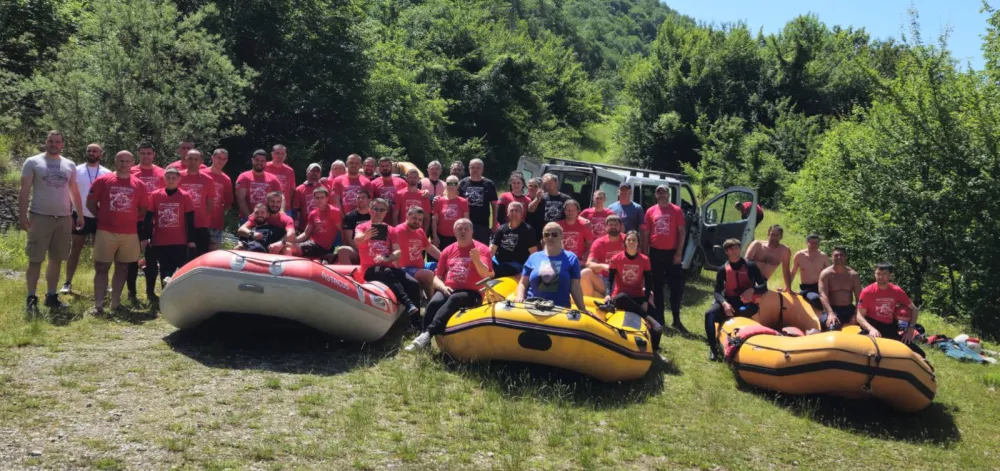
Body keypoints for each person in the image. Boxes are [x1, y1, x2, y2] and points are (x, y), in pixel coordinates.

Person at [19, 130, 84, 313]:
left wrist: (79, 213)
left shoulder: (69, 165)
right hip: (39, 216)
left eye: (57, 141)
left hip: (63, 218)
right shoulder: (33, 162)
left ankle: (51, 296)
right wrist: (22, 215)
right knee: (35, 259)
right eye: (51, 141)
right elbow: (24, 190)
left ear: (62, 144)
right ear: (45, 142)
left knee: (56, 259)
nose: (54, 144)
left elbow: (74, 191)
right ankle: (31, 298)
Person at [406, 219, 493, 351]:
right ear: (454, 232)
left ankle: (427, 334)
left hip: (472, 292)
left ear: (472, 231)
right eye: (459, 228)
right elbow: (437, 277)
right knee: (434, 302)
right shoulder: (448, 250)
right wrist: (442, 287)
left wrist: (477, 261)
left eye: (466, 228)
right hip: (448, 288)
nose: (463, 231)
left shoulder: (481, 249)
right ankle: (425, 344)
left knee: (455, 299)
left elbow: (485, 274)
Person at [87, 150, 149, 315]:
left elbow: (143, 209)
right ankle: (98, 306)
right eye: (121, 161)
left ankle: (115, 304)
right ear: (115, 161)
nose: (124, 164)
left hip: (129, 233)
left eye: (127, 161)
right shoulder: (103, 180)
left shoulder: (139, 184)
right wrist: (102, 217)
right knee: (101, 267)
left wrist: (129, 219)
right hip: (105, 231)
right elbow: (91, 203)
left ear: (132, 163)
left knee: (122, 268)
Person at [355, 198, 421, 320]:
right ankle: (408, 304)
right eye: (375, 209)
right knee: (387, 272)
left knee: (414, 284)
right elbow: (357, 239)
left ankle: (416, 322)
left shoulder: (391, 230)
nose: (378, 212)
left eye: (381, 210)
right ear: (369, 210)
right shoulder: (362, 227)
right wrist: (365, 236)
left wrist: (387, 257)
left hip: (387, 267)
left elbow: (398, 252)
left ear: (386, 212)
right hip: (369, 270)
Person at [705, 238, 768, 361]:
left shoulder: (750, 266)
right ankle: (713, 348)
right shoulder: (723, 269)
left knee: (743, 311)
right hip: (729, 301)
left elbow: (764, 286)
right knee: (709, 315)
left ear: (740, 249)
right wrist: (724, 304)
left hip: (746, 303)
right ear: (726, 252)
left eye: (736, 248)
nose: (734, 251)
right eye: (731, 249)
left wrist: (752, 290)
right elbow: (717, 291)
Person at [140, 168, 195, 302]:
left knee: (177, 269)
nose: (171, 180)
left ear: (178, 179)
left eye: (173, 178)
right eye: (168, 177)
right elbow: (148, 218)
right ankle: (161, 295)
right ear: (164, 179)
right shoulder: (155, 195)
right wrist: (144, 237)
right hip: (160, 239)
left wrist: (191, 240)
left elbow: (190, 219)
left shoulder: (185, 196)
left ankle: (177, 296)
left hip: (179, 240)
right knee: (163, 269)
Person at [62, 143, 110, 294]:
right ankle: (67, 283)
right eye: (89, 150)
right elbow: (67, 193)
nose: (91, 153)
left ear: (101, 154)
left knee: (100, 252)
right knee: (75, 248)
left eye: (95, 151)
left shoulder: (107, 173)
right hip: (79, 214)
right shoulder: (76, 170)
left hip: (99, 215)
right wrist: (70, 213)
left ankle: (103, 284)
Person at [511, 222, 590, 314]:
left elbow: (575, 286)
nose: (550, 237)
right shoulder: (534, 257)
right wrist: (520, 298)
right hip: (531, 307)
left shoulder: (571, 258)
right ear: (543, 237)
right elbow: (523, 283)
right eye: (547, 234)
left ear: (561, 236)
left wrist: (582, 309)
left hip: (559, 310)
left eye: (554, 234)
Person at [605, 230, 663, 350]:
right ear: (625, 242)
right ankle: (648, 318)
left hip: (638, 296)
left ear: (638, 243)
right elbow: (610, 280)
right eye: (629, 240)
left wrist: (646, 301)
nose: (631, 242)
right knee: (621, 297)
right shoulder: (616, 258)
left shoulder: (645, 260)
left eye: (634, 240)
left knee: (659, 322)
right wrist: (607, 294)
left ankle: (655, 350)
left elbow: (648, 282)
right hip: (621, 297)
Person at [644, 184, 688, 333]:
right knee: (657, 288)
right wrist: (645, 253)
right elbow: (646, 233)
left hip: (672, 254)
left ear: (668, 194)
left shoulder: (676, 210)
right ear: (656, 195)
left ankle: (676, 320)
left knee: (676, 288)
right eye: (659, 192)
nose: (661, 194)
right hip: (655, 253)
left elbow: (682, 231)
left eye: (664, 192)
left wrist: (679, 252)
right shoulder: (650, 211)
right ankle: (660, 319)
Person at [856, 263, 925, 357]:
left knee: (920, 353)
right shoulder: (867, 292)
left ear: (890, 276)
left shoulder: (896, 291)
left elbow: (914, 310)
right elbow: (859, 316)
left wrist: (910, 329)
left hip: (889, 327)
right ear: (874, 274)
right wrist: (870, 329)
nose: (880, 276)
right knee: (857, 351)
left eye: (884, 274)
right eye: (878, 273)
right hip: (872, 325)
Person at [127, 143, 166, 303]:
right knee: (131, 258)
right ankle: (132, 292)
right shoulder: (131, 171)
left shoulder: (161, 173)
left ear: (154, 155)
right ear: (138, 154)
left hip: (154, 222)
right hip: (133, 220)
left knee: (151, 258)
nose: (146, 156)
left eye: (149, 153)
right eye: (142, 153)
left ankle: (151, 292)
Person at [393, 207, 442, 304]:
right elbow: (394, 252)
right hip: (404, 268)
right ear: (407, 216)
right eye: (414, 218)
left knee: (441, 267)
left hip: (420, 266)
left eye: (420, 220)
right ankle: (432, 303)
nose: (417, 222)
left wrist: (445, 260)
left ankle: (438, 296)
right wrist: (396, 271)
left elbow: (430, 248)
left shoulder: (419, 231)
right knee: (427, 274)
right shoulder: (399, 231)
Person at [289, 186, 345, 262]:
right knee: (288, 245)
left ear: (327, 198)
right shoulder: (313, 213)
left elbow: (342, 230)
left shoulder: (333, 211)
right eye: (317, 198)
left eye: (322, 198)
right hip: (313, 244)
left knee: (290, 247)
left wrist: (344, 248)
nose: (320, 200)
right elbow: (306, 233)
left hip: (324, 247)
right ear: (314, 199)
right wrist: (294, 240)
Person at [178, 149, 216, 257]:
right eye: (190, 158)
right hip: (181, 223)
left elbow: (209, 202)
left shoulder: (207, 180)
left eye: (196, 159)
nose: (193, 161)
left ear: (201, 161)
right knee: (181, 255)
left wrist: (205, 218)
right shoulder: (178, 177)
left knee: (199, 255)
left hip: (200, 223)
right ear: (185, 159)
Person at [817, 246, 862, 331]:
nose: (839, 257)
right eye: (836, 255)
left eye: (841, 255)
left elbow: (859, 297)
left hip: (850, 309)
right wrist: (830, 313)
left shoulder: (853, 275)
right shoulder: (826, 274)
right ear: (831, 257)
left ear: (845, 257)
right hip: (833, 309)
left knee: (866, 324)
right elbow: (823, 295)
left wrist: (856, 314)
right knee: (832, 327)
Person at [580, 215, 624, 297]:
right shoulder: (599, 242)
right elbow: (589, 264)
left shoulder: (627, 240)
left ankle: (603, 297)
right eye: (610, 225)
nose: (613, 227)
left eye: (616, 225)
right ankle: (590, 306)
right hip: (605, 279)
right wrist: (604, 266)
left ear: (620, 226)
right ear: (606, 227)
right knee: (584, 273)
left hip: (623, 280)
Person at [490, 202, 537, 278]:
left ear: (522, 213)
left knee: (501, 270)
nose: (514, 213)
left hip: (516, 264)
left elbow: (534, 254)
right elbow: (492, 249)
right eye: (511, 210)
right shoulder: (501, 229)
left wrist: (525, 273)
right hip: (498, 261)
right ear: (507, 213)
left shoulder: (528, 230)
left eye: (517, 211)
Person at [458, 158, 499, 244]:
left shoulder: (489, 184)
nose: (475, 170)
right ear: (469, 169)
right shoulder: (462, 183)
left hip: (483, 225)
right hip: (465, 225)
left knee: (481, 252)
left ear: (482, 169)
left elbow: (495, 206)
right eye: (472, 167)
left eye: (478, 167)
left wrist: (494, 225)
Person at [235, 150, 283, 221]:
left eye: (262, 161)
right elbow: (241, 198)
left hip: (268, 219)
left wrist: (281, 214)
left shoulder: (273, 179)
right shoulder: (243, 177)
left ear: (266, 162)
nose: (259, 162)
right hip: (247, 218)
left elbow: (281, 197)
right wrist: (250, 218)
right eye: (257, 160)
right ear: (252, 160)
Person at [745, 225, 792, 292]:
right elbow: (746, 262)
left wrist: (788, 288)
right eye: (772, 234)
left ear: (781, 237)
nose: (774, 237)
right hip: (749, 277)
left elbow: (786, 270)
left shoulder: (785, 251)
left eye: (777, 235)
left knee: (762, 290)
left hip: (762, 281)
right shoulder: (757, 245)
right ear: (768, 234)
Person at [790, 234, 831, 310]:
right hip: (807, 288)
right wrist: (787, 287)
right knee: (815, 298)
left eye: (816, 243)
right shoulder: (799, 255)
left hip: (821, 287)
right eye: (811, 243)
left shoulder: (823, 256)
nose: (814, 245)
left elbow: (830, 274)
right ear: (807, 243)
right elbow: (793, 272)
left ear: (819, 244)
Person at [205, 148, 233, 250]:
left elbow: (228, 203)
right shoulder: (202, 173)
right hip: (199, 222)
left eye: (224, 159)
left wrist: (219, 212)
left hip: (216, 223)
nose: (221, 161)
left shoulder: (226, 179)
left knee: (212, 254)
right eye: (219, 158)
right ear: (213, 158)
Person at [432, 175, 469, 251]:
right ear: (445, 185)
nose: (451, 186)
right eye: (449, 183)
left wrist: (465, 236)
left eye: (454, 183)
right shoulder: (439, 201)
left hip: (457, 236)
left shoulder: (463, 201)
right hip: (442, 236)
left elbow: (466, 221)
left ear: (458, 185)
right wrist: (434, 236)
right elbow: (435, 220)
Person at [340, 188, 373, 264]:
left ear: (369, 200)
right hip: (356, 249)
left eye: (363, 197)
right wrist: (363, 250)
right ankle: (348, 275)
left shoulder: (375, 214)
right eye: (358, 198)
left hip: (373, 249)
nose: (360, 199)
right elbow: (349, 240)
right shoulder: (349, 216)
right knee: (342, 250)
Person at [394, 168, 432, 233]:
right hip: (403, 230)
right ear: (406, 179)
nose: (412, 179)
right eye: (410, 177)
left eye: (415, 177)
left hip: (418, 231)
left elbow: (427, 217)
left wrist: (424, 233)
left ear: (418, 179)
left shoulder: (424, 195)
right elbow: (395, 215)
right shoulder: (400, 194)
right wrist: (396, 231)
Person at [371, 157, 408, 223]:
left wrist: (424, 192)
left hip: (398, 221)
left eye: (387, 166)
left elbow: (412, 194)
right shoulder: (373, 184)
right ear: (379, 168)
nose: (385, 168)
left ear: (391, 167)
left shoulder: (402, 183)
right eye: (382, 166)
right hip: (380, 222)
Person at [292, 163, 325, 231]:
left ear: (320, 174)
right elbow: (296, 209)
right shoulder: (299, 189)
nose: (315, 173)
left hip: (323, 226)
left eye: (317, 171)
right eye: (312, 171)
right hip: (305, 227)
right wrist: (296, 222)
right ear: (307, 172)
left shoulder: (325, 187)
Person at [265, 144, 296, 215]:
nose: (280, 156)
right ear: (272, 154)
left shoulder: (290, 171)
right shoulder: (264, 167)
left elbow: (292, 190)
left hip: (285, 208)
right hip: (266, 207)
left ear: (285, 155)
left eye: (282, 154)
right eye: (277, 153)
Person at [524, 177, 545, 246]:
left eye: (535, 186)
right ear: (527, 187)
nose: (532, 188)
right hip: (525, 233)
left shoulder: (544, 200)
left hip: (539, 235)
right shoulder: (523, 198)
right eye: (530, 186)